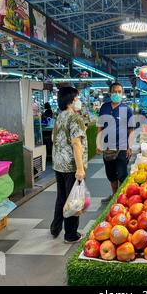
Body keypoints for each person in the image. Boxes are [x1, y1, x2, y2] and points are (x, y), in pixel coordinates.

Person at [51, 87, 87, 243]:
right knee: (73, 200)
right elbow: (76, 143)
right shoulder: (74, 118)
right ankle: (71, 234)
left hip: (58, 163)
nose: (78, 101)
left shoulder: (60, 116)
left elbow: (54, 138)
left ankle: (55, 227)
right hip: (71, 165)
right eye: (77, 98)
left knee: (61, 197)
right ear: (71, 100)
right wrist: (80, 168)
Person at [96, 82, 135, 202]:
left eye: (119, 92)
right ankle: (114, 196)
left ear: (122, 94)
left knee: (122, 174)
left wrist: (130, 147)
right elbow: (100, 126)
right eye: (114, 91)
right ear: (110, 93)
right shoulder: (104, 107)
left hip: (122, 147)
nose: (117, 94)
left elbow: (131, 130)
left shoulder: (127, 109)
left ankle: (122, 197)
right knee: (111, 174)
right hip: (107, 147)